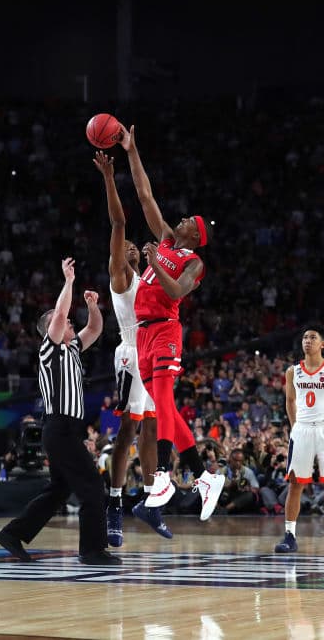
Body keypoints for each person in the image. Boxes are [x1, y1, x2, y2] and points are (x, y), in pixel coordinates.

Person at [119, 126, 224, 531]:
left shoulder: (193, 262)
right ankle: (205, 476)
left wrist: (157, 263)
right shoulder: (163, 239)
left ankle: (162, 476)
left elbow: (177, 289)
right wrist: (132, 150)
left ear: (194, 235)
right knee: (168, 410)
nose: (177, 220)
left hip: (166, 329)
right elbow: (144, 194)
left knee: (162, 398)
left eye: (185, 221)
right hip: (142, 333)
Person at [0, 258, 120, 566]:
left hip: (67, 430)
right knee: (91, 485)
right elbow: (61, 314)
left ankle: (13, 534)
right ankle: (91, 550)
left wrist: (92, 305)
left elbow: (95, 328)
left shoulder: (73, 348)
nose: (69, 325)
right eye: (62, 324)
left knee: (60, 489)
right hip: (59, 428)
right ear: (50, 329)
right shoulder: (48, 350)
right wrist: (69, 281)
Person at [93, 150, 162, 547]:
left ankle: (151, 499)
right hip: (131, 353)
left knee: (152, 430)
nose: (133, 249)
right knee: (128, 431)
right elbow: (119, 221)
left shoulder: (150, 280)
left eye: (137, 248)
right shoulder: (120, 277)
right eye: (128, 247)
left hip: (154, 353)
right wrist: (108, 177)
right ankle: (114, 503)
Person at [274, 327, 324, 554]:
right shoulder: (292, 371)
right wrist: (294, 426)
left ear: (323, 344)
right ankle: (289, 536)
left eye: (312, 338)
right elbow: (290, 401)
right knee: (295, 483)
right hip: (302, 430)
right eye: (304, 338)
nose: (307, 341)